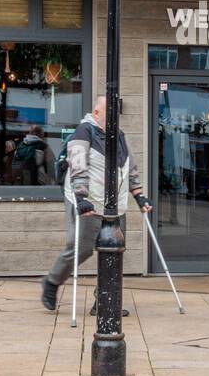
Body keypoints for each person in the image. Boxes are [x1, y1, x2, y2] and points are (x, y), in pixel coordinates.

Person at [41, 95, 152, 313]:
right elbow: (77, 166)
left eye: (115, 114)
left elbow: (130, 168)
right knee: (81, 249)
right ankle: (52, 281)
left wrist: (139, 196)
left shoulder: (120, 136)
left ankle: (104, 300)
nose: (113, 118)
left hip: (115, 204)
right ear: (97, 112)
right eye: (108, 113)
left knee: (115, 250)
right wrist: (81, 198)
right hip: (88, 202)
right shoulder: (84, 131)